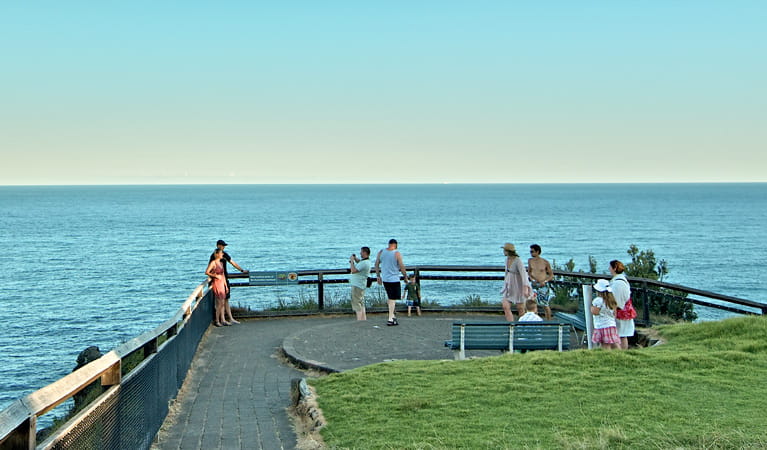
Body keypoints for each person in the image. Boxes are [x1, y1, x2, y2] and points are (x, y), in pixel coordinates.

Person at [209, 240, 247, 325]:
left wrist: (241, 270)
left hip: (224, 279)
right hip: (218, 281)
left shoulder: (224, 255)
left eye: (224, 246)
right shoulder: (214, 257)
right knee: (220, 301)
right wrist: (215, 277)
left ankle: (228, 318)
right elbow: (209, 269)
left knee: (226, 299)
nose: (223, 247)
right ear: (218, 246)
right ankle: (221, 319)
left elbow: (232, 262)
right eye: (222, 246)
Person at [375, 239, 409, 326]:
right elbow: (401, 266)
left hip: (385, 279)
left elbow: (376, 264)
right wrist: (405, 276)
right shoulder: (397, 253)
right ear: (395, 245)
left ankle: (393, 317)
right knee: (392, 299)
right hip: (394, 278)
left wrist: (378, 276)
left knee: (390, 298)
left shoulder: (381, 252)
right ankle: (390, 318)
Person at [500, 243, 532, 321]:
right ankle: (511, 324)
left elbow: (524, 274)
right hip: (509, 286)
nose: (503, 252)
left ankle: (522, 326)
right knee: (505, 306)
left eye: (504, 250)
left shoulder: (518, 261)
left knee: (520, 308)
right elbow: (506, 273)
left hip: (518, 286)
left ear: (508, 251)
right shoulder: (507, 260)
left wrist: (525, 288)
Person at [609, 260, 635, 350]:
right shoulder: (622, 280)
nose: (609, 269)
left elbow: (617, 301)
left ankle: (620, 352)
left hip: (621, 312)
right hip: (625, 311)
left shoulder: (618, 283)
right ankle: (622, 352)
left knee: (620, 335)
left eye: (610, 267)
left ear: (614, 268)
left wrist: (613, 311)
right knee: (622, 335)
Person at [590, 279, 620, 350]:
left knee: (605, 344)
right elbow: (615, 313)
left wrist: (591, 307)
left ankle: (607, 356)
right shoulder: (611, 300)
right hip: (611, 324)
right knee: (614, 343)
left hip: (602, 325)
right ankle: (620, 354)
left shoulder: (598, 300)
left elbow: (595, 312)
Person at [528, 244, 554, 320]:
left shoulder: (545, 262)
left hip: (543, 286)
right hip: (534, 285)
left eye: (532, 251)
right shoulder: (530, 261)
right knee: (532, 303)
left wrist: (545, 281)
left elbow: (551, 275)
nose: (531, 253)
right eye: (530, 251)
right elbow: (529, 272)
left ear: (537, 252)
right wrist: (532, 279)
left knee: (545, 305)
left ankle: (548, 322)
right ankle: (534, 320)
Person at [205, 249, 229, 327]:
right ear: (217, 254)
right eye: (221, 253)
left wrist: (225, 285)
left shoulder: (221, 263)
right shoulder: (213, 263)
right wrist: (215, 275)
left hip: (222, 283)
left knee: (222, 302)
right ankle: (217, 320)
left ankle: (222, 319)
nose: (222, 255)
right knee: (219, 302)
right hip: (217, 283)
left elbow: (223, 275)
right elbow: (207, 272)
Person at [349, 246, 372, 321]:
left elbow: (353, 270)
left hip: (357, 285)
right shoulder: (366, 261)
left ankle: (359, 320)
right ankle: (363, 319)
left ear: (365, 253)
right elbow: (360, 262)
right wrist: (355, 259)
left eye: (361, 252)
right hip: (361, 284)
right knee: (361, 303)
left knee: (356, 303)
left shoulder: (364, 263)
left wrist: (352, 261)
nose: (360, 253)